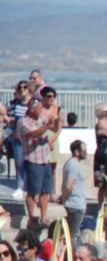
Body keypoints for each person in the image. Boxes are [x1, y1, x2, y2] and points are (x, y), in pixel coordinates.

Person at [17, 94, 61, 226]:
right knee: (32, 191)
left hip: (44, 159)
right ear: (32, 109)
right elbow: (33, 134)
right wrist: (46, 127)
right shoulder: (23, 122)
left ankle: (43, 216)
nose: (42, 111)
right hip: (33, 160)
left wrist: (56, 122)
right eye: (40, 108)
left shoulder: (42, 118)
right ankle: (31, 217)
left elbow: (52, 128)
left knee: (45, 190)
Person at [7, 80, 32, 199]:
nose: (22, 89)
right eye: (20, 87)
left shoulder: (33, 103)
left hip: (29, 138)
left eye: (25, 87)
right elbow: (11, 119)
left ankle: (30, 187)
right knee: (19, 163)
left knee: (30, 163)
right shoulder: (15, 104)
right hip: (17, 138)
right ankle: (20, 187)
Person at [59, 139, 88, 234]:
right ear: (76, 152)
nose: (86, 152)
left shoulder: (72, 163)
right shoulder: (74, 164)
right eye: (84, 150)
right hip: (75, 204)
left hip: (75, 203)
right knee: (74, 234)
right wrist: (64, 197)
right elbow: (68, 185)